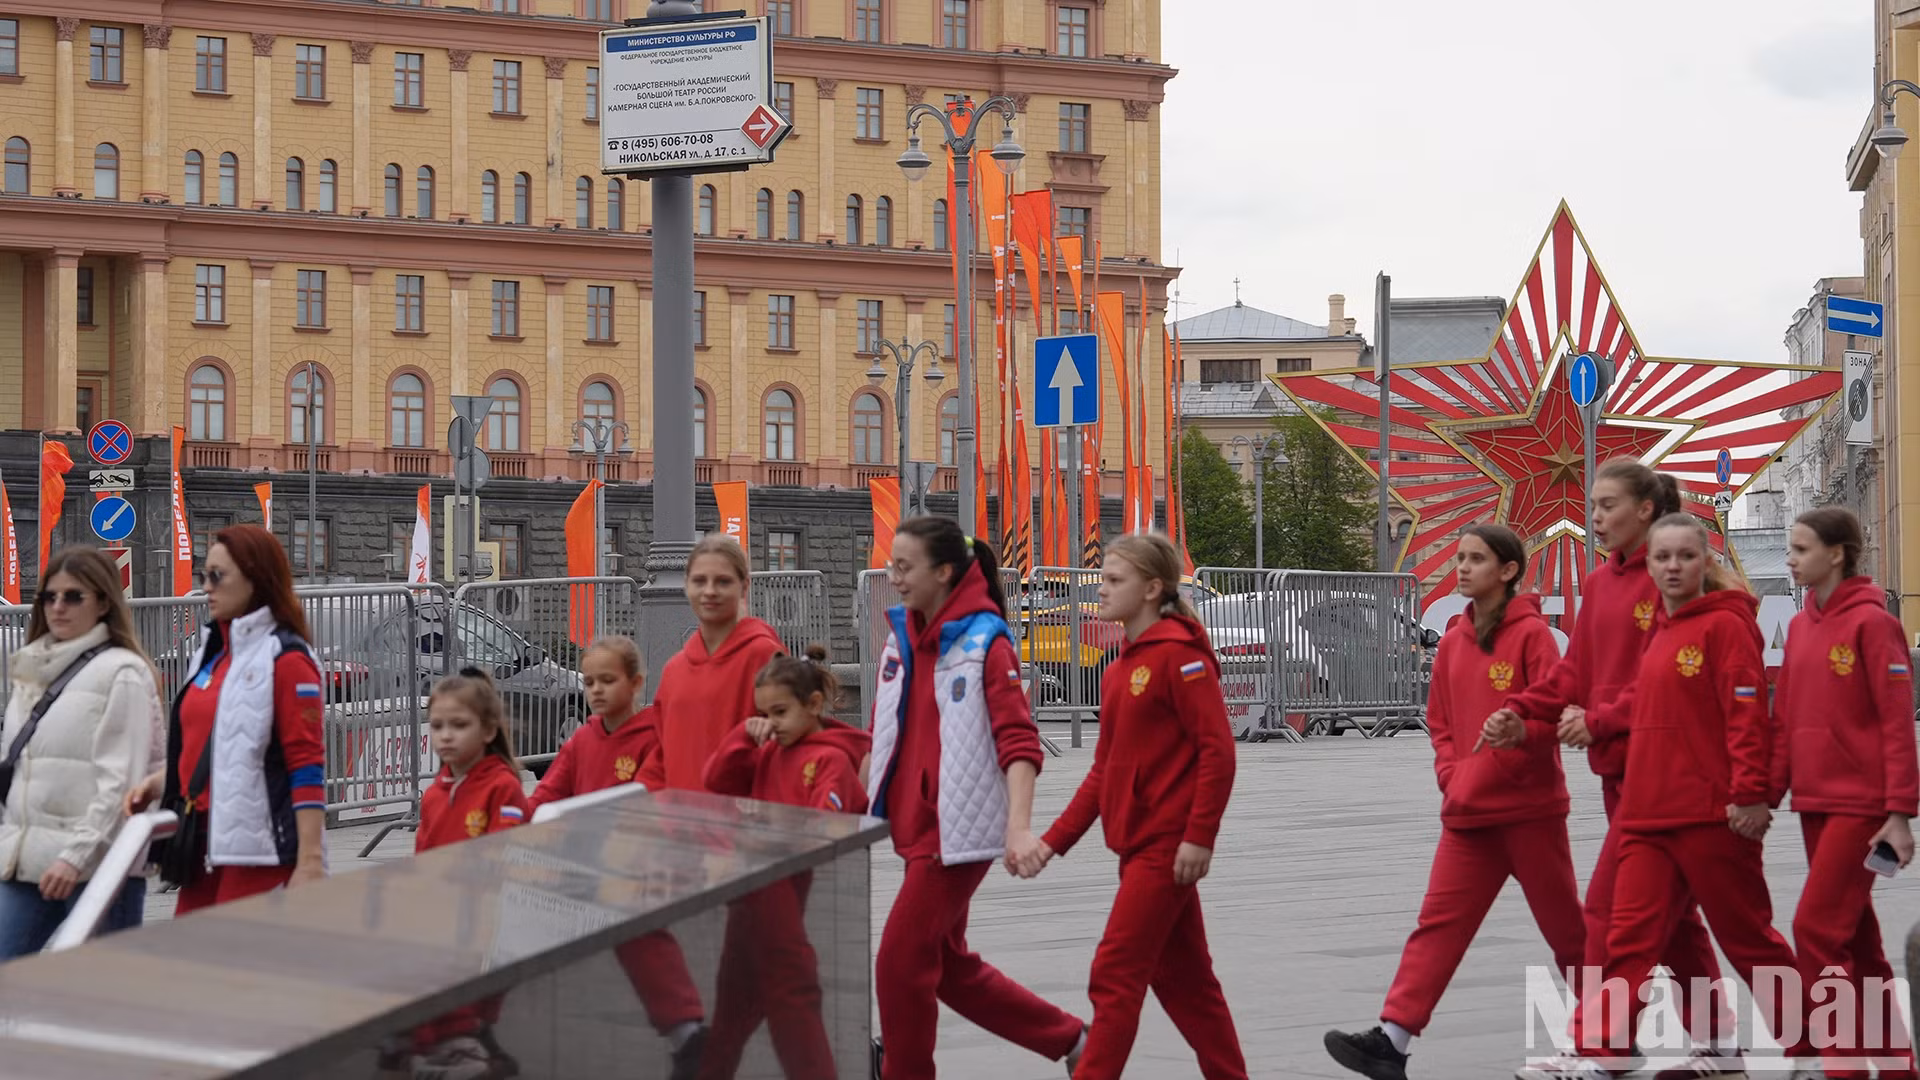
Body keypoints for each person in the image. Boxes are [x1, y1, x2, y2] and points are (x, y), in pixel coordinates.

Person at [1516, 514, 1810, 1080]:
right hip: (1648, 815)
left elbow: (1747, 718)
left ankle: (1816, 1043)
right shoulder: (1661, 628)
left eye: (1685, 556)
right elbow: (1642, 705)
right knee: (1627, 940)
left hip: (1710, 815)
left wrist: (1751, 795)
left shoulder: (1725, 626)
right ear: (1649, 566)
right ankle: (1605, 1054)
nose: (1673, 567)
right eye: (1662, 557)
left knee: (1749, 940)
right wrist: (1593, 721)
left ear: (1705, 562)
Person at [1485, 459, 1731, 1073]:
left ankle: (1604, 1046)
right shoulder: (1599, 585)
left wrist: (1600, 720)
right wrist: (1522, 709)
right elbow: (1574, 672)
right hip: (1621, 774)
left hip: (1667, 774)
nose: (1595, 516)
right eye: (1592, 505)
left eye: (1608, 505)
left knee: (1608, 911)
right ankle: (1719, 1042)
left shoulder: (1673, 580)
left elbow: (1668, 680)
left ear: (1645, 509)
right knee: (1677, 923)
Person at [1325, 526, 1583, 1080]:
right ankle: (1392, 1039)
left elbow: (1553, 715)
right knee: (1438, 925)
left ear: (1508, 571)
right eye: (1460, 557)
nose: (1462, 567)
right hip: (1468, 812)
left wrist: (1520, 736)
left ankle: (1610, 1034)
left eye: (1476, 559)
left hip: (1530, 812)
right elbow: (1439, 720)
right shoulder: (1453, 640)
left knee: (1567, 933)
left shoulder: (1532, 636)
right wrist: (1451, 774)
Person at [1018, 532, 1245, 1080]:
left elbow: (1218, 753)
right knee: (1185, 982)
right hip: (1137, 846)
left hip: (1165, 847)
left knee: (1114, 972)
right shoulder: (1120, 667)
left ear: (1151, 588)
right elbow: (1104, 771)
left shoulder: (1181, 658)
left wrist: (1199, 837)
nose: (1100, 590)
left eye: (1114, 580)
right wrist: (1051, 843)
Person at [868, 515, 1085, 1079]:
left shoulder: (987, 641)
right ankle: (1075, 1041)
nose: (894, 577)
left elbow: (1019, 741)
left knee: (899, 963)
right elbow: (885, 732)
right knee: (945, 965)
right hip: (915, 825)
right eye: (893, 565)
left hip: (955, 832)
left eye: (904, 567)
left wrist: (1019, 828)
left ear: (943, 572)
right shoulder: (901, 635)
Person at [1774, 507, 1918, 1080]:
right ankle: (1897, 1065)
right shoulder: (1801, 626)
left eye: (1801, 549)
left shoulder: (1873, 624)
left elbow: (1896, 722)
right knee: (1858, 943)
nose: (1790, 559)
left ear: (1836, 554)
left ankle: (1844, 1066)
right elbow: (1784, 720)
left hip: (1862, 807)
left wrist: (1900, 812)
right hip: (1814, 803)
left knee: (1813, 929)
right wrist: (1763, 795)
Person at [529, 636, 708, 1080]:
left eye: (608, 680)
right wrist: (519, 819)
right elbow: (548, 793)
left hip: (633, 868)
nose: (597, 690)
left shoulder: (651, 735)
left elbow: (647, 795)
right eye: (590, 682)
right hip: (584, 868)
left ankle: (687, 1031)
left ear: (636, 683)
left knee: (645, 945)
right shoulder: (581, 740)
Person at [127, 525, 328, 912]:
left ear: (256, 577)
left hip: (261, 853)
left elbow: (306, 763)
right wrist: (160, 782)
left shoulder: (288, 659)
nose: (206, 587)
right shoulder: (213, 652)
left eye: (217, 576)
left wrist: (310, 860)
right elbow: (217, 745)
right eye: (204, 575)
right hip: (202, 845)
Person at [699, 646, 871, 1080]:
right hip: (749, 906)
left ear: (813, 704)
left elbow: (827, 823)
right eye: (764, 713)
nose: (771, 723)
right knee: (727, 1023)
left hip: (790, 913)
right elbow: (715, 780)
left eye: (780, 712)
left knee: (795, 1023)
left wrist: (769, 838)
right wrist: (742, 736)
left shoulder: (829, 759)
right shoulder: (769, 750)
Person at [0, 548, 161, 957]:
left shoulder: (122, 672)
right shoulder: (31, 668)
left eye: (73, 597)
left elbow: (121, 785)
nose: (58, 606)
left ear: (104, 603)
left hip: (98, 867)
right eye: (49, 597)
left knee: (101, 988)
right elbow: (15, 771)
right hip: (26, 860)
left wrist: (75, 857)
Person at [384, 667, 529, 1080]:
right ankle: (422, 1046)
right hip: (440, 913)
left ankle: (461, 1048)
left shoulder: (502, 786)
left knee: (454, 986)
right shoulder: (434, 794)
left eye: (459, 726)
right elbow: (423, 857)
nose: (446, 736)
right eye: (438, 726)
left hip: (482, 915)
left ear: (488, 731)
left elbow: (505, 852)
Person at [640, 534, 786, 793]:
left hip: (742, 814)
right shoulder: (674, 669)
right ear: (686, 585)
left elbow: (789, 745)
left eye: (723, 581)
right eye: (699, 581)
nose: (709, 591)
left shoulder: (765, 655)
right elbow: (662, 754)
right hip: (679, 815)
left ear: (744, 586)